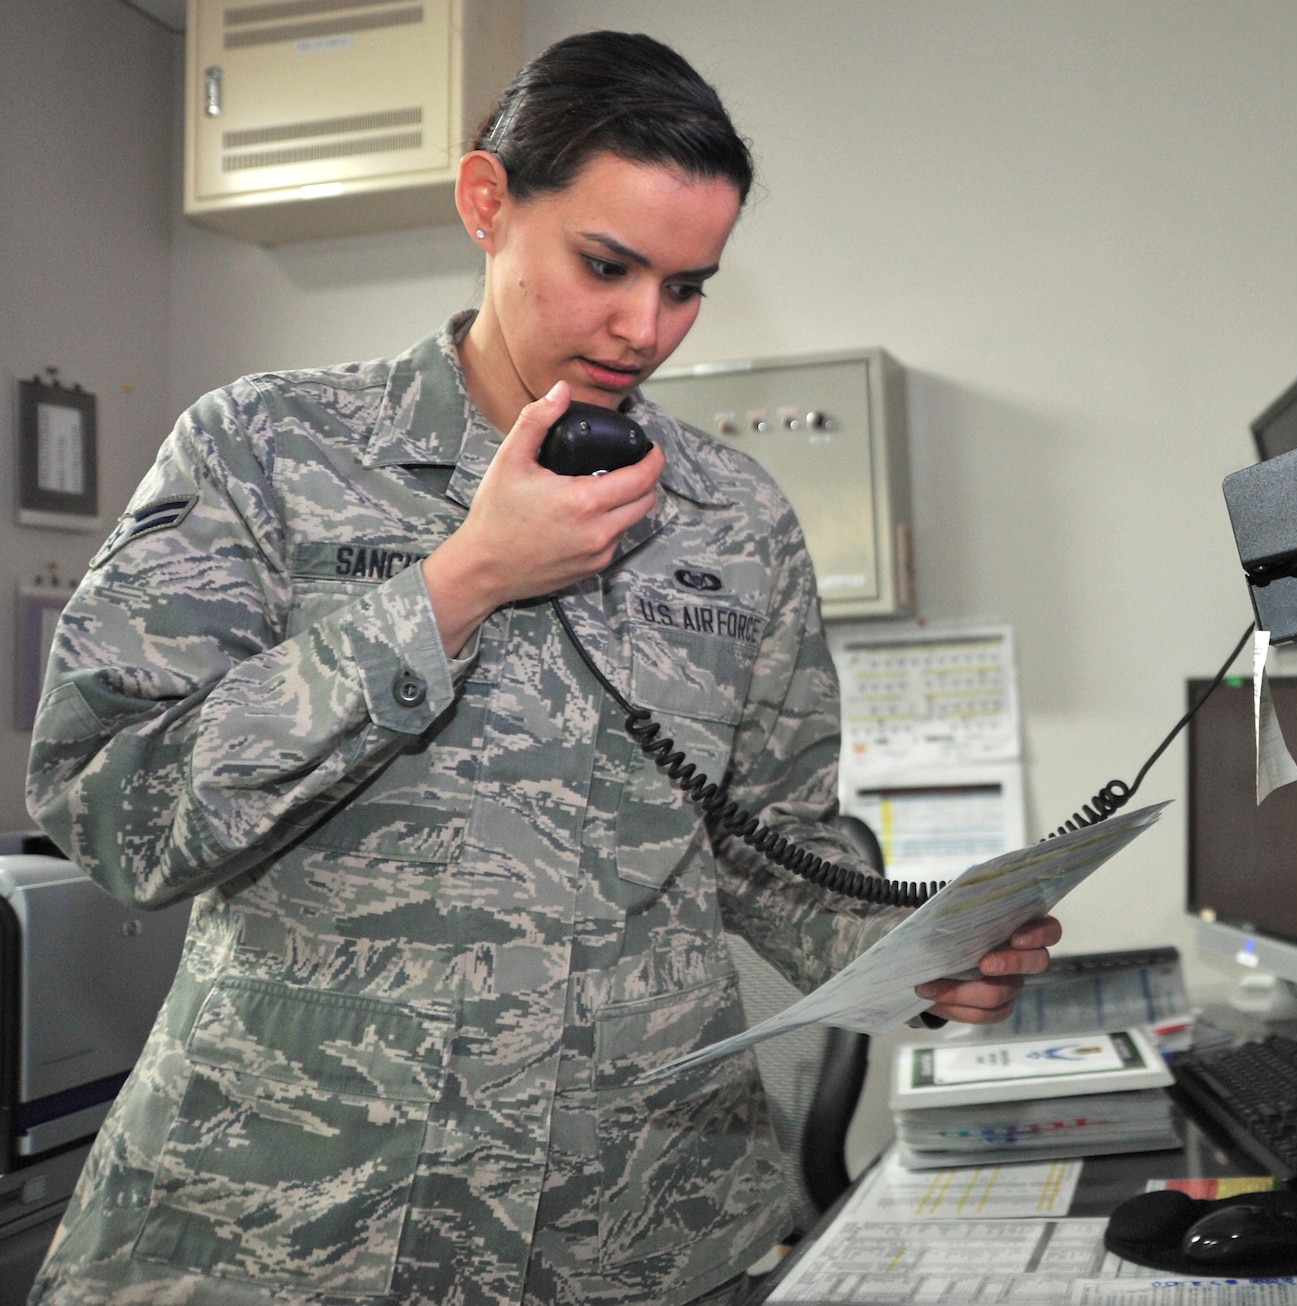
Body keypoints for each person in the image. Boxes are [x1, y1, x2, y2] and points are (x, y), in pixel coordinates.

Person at [25, 30, 1058, 1306]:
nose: (644, 329)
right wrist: (455, 585)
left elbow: (767, 843)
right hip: (293, 1224)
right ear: (486, 203)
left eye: (687, 286)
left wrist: (919, 951)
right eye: (607, 266)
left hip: (634, 1232)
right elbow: (111, 811)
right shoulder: (262, 445)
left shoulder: (734, 516)